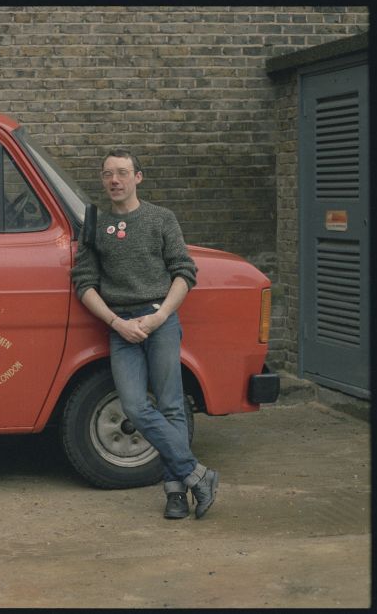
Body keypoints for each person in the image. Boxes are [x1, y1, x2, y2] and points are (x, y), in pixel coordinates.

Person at [71, 148, 219, 520]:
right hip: (121, 326)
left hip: (161, 320)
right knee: (136, 407)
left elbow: (185, 272)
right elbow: (84, 283)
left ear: (138, 177)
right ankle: (197, 473)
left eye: (122, 172)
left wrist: (159, 317)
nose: (114, 180)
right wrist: (117, 323)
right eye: (108, 174)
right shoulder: (96, 227)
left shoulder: (161, 219)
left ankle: (175, 491)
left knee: (171, 405)